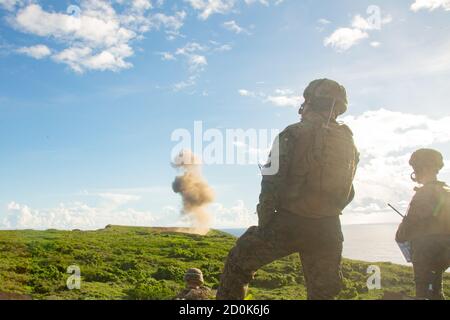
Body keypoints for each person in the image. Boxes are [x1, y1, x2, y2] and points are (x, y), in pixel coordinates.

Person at [216, 79, 359, 300]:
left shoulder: (292, 133)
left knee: (238, 262)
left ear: (309, 101)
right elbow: (348, 191)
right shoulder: (348, 141)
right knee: (323, 293)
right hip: (329, 228)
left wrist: (266, 226)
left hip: (289, 222)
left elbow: (271, 184)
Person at [396, 148, 450, 300]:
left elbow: (408, 226)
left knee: (424, 293)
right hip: (444, 253)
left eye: (416, 169)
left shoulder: (423, 194)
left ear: (423, 168)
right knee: (436, 290)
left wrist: (400, 235)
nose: (414, 173)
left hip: (425, 253)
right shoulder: (446, 191)